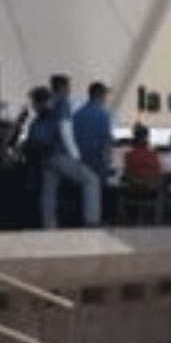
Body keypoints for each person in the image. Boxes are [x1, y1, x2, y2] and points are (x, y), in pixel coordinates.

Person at [39, 74, 102, 228]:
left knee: (49, 193)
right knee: (91, 181)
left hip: (46, 153)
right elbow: (65, 131)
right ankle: (92, 222)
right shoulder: (63, 104)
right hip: (60, 153)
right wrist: (75, 156)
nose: (69, 90)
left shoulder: (46, 105)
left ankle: (49, 226)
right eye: (67, 87)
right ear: (62, 87)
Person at [72, 81, 115, 213]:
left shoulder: (77, 114)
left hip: (80, 164)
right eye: (104, 95)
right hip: (97, 164)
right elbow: (106, 143)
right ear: (98, 94)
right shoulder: (103, 115)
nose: (105, 98)